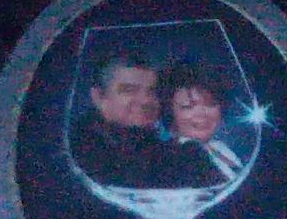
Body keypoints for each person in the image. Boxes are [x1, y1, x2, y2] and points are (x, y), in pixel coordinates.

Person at [68, 53, 196, 191]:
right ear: (99, 97)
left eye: (152, 92)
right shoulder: (73, 155)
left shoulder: (178, 155)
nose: (145, 101)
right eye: (129, 91)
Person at [159, 64, 246, 185]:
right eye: (188, 106)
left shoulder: (220, 148)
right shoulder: (172, 159)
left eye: (210, 104)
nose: (201, 113)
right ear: (169, 112)